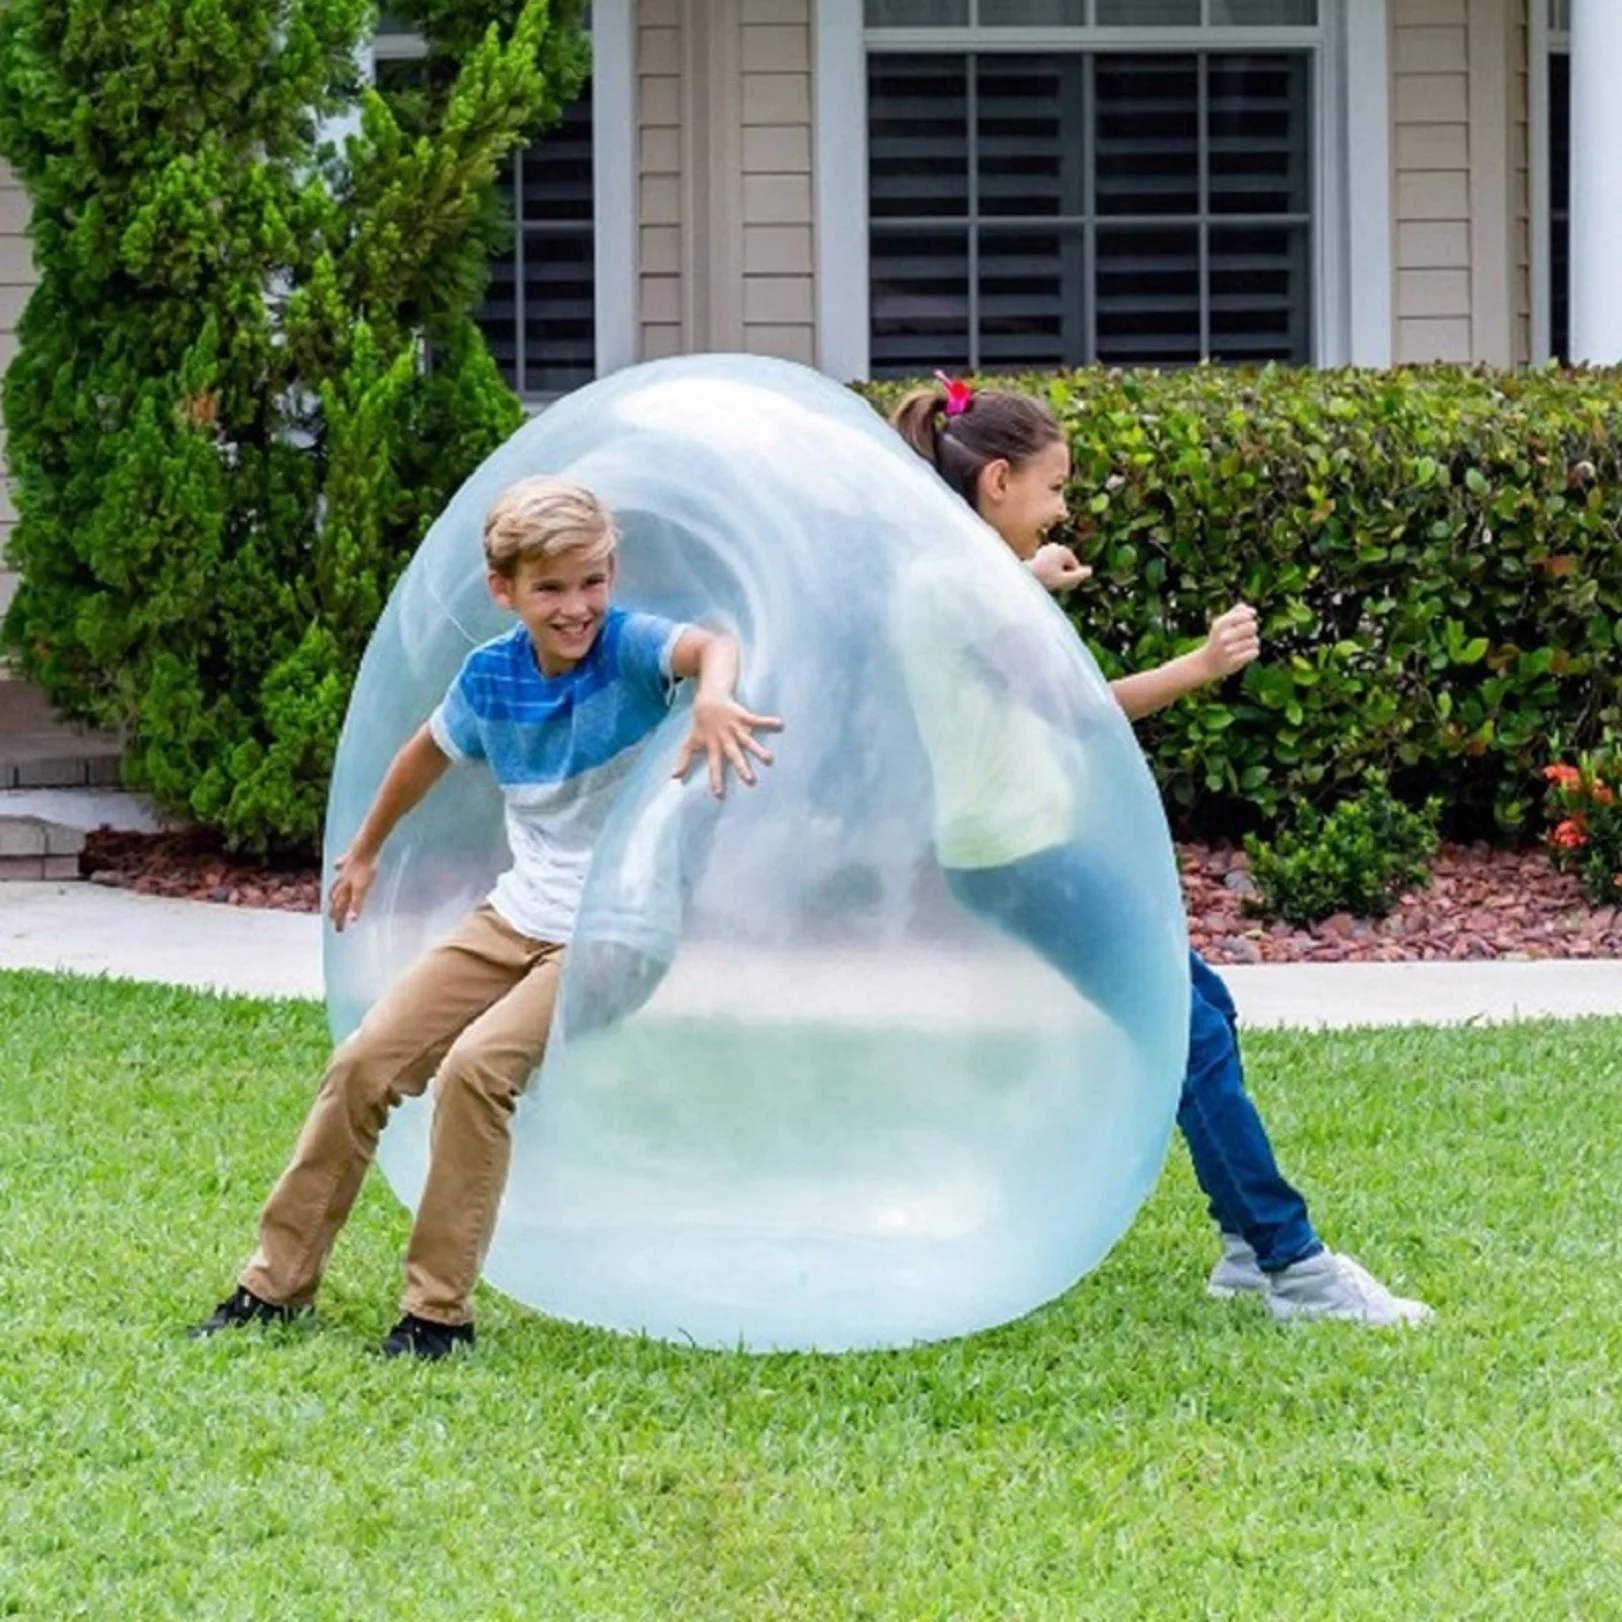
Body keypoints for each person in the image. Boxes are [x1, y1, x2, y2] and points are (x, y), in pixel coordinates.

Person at [190, 476, 783, 1359]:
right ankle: (275, 1286)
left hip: (617, 931)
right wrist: (365, 849)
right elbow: (420, 756)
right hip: (516, 918)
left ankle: (436, 1314)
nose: (577, 607)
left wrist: (711, 694)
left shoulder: (628, 650)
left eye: (592, 581)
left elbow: (715, 646)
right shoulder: (489, 678)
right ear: (503, 591)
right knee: (361, 1065)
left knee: (474, 1072)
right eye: (550, 589)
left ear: (611, 573)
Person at [891, 377, 1431, 1327]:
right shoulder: (952, 584)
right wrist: (1205, 664)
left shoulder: (958, 570)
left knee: (1201, 1009)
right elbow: (1076, 707)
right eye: (1055, 489)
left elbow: (986, 629)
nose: (1065, 510)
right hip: (1019, 856)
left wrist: (1029, 575)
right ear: (1000, 482)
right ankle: (1291, 1263)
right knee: (1189, 1035)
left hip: (1024, 845)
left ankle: (1244, 1247)